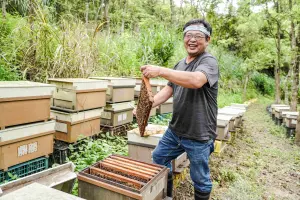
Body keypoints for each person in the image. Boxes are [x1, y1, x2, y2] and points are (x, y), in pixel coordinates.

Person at [138, 19, 218, 200]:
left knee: (200, 178)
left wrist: (160, 70)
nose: (192, 39)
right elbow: (169, 90)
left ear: (207, 40)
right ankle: (167, 196)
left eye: (198, 36)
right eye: (188, 35)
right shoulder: (180, 64)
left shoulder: (209, 62)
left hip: (198, 134)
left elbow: (196, 81)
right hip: (175, 130)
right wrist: (145, 107)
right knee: (159, 158)